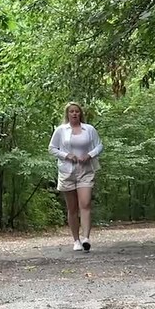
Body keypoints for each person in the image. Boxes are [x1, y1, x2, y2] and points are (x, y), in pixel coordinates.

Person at [48, 101, 103, 251]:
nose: (74, 114)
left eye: (77, 111)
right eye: (71, 111)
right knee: (72, 208)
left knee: (85, 204)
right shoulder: (61, 130)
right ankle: (76, 240)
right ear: (67, 114)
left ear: (80, 114)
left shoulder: (89, 129)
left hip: (85, 171)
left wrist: (90, 155)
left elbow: (99, 146)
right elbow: (52, 148)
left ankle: (86, 238)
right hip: (67, 172)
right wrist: (66, 155)